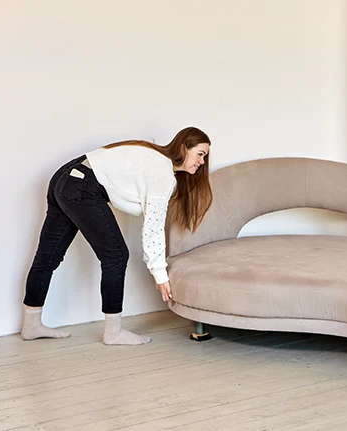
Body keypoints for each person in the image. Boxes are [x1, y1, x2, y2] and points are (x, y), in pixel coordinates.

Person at [21, 127, 213, 345]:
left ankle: (31, 325)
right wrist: (160, 275)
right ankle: (113, 332)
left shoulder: (152, 158)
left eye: (205, 157)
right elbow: (153, 227)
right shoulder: (162, 171)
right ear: (183, 147)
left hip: (65, 178)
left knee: (48, 256)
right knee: (116, 255)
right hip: (81, 184)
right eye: (200, 154)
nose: (202, 162)